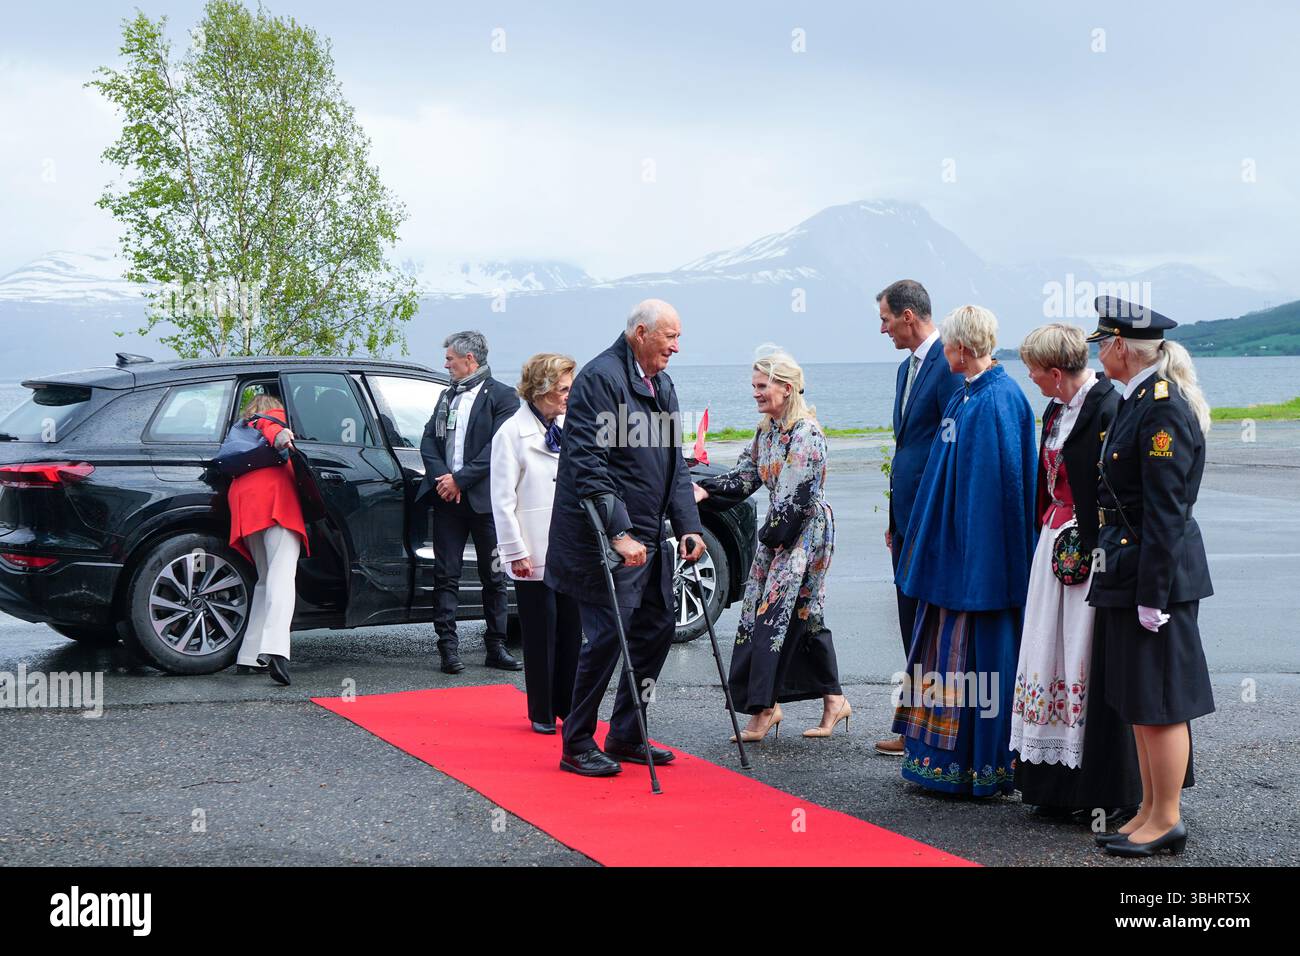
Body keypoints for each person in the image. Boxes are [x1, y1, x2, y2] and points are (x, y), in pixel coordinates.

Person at [545, 299, 706, 777]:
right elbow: (587, 465)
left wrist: (689, 525)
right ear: (640, 332)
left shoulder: (662, 383)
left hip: (653, 536)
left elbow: (675, 463)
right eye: (669, 337)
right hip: (605, 539)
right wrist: (617, 532)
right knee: (607, 638)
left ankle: (626, 733)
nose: (677, 347)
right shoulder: (601, 379)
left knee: (656, 631)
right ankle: (576, 742)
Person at [1086, 296, 1214, 857]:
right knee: (1139, 698)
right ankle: (1146, 809)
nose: (1097, 354)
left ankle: (1167, 816)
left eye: (1101, 344)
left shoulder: (1161, 406)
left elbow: (1166, 510)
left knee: (1161, 701)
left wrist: (1153, 593)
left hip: (1152, 571)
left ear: (1120, 347)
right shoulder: (1137, 399)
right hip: (1128, 565)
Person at [891, 305, 1036, 797]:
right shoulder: (970, 396)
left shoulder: (997, 401)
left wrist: (973, 562)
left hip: (980, 566)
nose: (944, 350)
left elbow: (997, 495)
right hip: (954, 558)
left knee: (979, 659)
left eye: (949, 344)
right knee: (944, 652)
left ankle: (980, 767)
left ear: (964, 348)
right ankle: (941, 760)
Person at [1009, 323, 1142, 821]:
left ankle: (1101, 790)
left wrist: (1101, 547)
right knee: (1047, 651)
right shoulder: (1054, 410)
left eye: (1035, 371)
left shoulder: (1108, 405)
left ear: (1058, 372)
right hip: (1054, 546)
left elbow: (1121, 489)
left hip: (1092, 553)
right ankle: (1054, 785)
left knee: (1084, 656)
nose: (1031, 378)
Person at [693, 347, 846, 740]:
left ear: (787, 387)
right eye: (754, 386)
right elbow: (745, 478)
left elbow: (797, 496)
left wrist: (769, 542)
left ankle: (764, 709)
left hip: (803, 534)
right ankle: (832, 700)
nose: (756, 393)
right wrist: (701, 490)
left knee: (773, 616)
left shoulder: (805, 433)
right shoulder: (767, 431)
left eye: (762, 386)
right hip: (779, 532)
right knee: (803, 616)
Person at [875, 279, 965, 756]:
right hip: (906, 516)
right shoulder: (903, 371)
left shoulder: (946, 365)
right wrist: (894, 517)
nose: (883, 328)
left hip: (932, 516)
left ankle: (936, 729)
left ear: (909, 316)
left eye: (886, 319)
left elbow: (950, 448)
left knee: (934, 621)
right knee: (909, 619)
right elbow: (906, 447)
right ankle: (914, 725)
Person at [417, 331, 522, 674]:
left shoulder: (503, 397)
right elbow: (428, 441)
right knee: (446, 574)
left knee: (493, 576)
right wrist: (443, 479)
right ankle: (448, 649)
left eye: (450, 359)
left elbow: (498, 449)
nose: (445, 364)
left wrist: (460, 479)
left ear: (469, 360)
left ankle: (496, 646)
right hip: (449, 500)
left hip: (485, 500)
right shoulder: (447, 395)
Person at [490, 353, 581, 735]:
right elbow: (502, 499)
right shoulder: (510, 433)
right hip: (533, 548)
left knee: (572, 631)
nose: (568, 396)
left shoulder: (567, 426)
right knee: (541, 633)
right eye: (563, 389)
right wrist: (515, 551)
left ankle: (569, 706)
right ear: (542, 389)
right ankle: (542, 711)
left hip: (569, 547)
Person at [227, 392, 310, 686]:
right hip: (275, 504)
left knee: (264, 579)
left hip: (245, 505)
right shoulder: (271, 419)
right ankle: (276, 649)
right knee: (281, 578)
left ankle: (249, 654)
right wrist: (283, 435)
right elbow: (275, 430)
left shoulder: (242, 429)